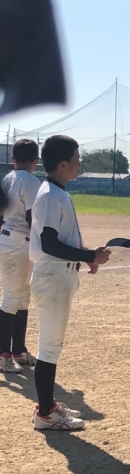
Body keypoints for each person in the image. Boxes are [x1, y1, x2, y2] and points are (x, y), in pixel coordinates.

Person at [30, 135, 111, 430]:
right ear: (62, 164)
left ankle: (48, 407)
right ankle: (46, 414)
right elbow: (49, 243)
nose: (80, 163)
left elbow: (60, 238)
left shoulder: (57, 192)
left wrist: (86, 256)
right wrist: (89, 254)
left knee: (52, 345)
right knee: (49, 347)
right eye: (77, 159)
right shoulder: (51, 195)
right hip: (53, 275)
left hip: (59, 274)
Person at [0, 139, 42, 372]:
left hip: (8, 238)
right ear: (36, 161)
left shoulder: (6, 179)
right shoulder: (32, 182)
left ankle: (18, 350)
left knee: (23, 297)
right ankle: (3, 354)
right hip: (20, 241)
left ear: (13, 159)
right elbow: (31, 217)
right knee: (11, 298)